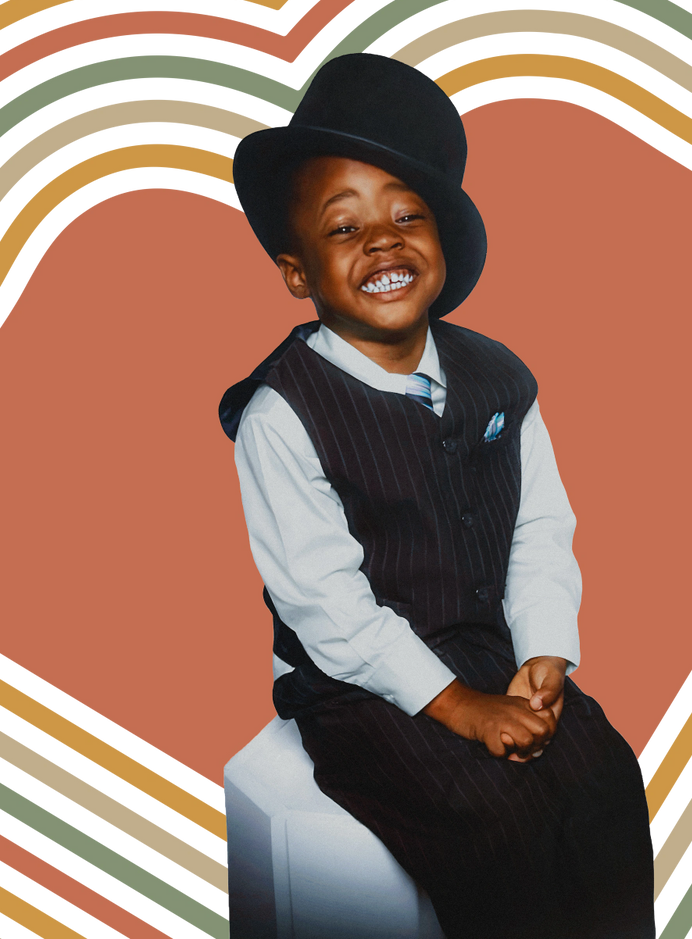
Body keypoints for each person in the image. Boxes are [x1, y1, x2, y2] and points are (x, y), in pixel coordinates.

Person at [220, 52, 655, 938]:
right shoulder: (282, 413)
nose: (383, 241)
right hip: (356, 683)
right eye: (344, 229)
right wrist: (465, 711)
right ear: (297, 272)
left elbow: (538, 527)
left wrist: (544, 653)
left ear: (443, 246)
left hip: (488, 642)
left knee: (605, 779)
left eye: (408, 215)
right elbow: (327, 607)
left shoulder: (499, 377)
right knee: (491, 820)